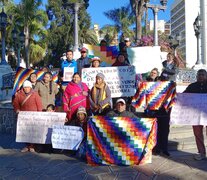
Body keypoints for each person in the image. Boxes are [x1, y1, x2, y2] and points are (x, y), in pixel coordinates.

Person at [12, 80, 43, 153]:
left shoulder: (35, 94)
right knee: (25, 131)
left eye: (28, 87)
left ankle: (32, 146)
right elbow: (15, 104)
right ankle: (27, 146)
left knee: (33, 131)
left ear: (30, 87)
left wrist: (39, 114)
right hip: (24, 117)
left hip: (33, 116)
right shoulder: (19, 95)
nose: (26, 89)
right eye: (25, 87)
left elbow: (39, 105)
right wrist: (17, 110)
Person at [183, 69, 207, 160]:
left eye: (203, 75)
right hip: (195, 115)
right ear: (196, 76)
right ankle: (201, 153)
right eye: (199, 75)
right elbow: (183, 97)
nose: (201, 76)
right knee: (198, 134)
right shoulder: (192, 86)